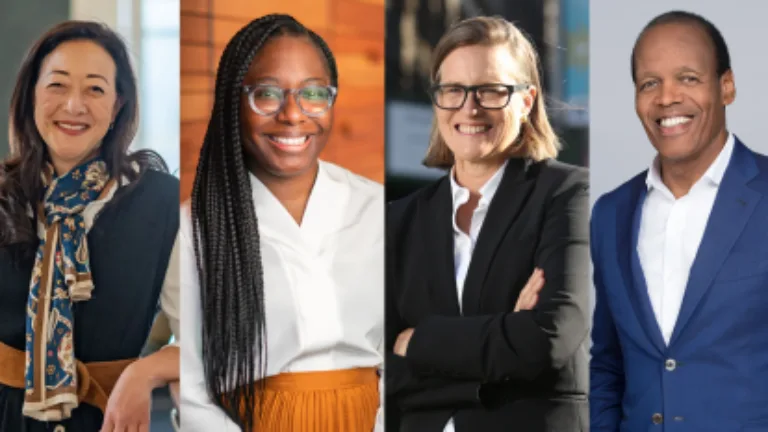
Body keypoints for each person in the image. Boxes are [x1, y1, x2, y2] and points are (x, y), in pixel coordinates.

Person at [179, 14, 384, 431]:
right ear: (233, 102)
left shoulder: (378, 208)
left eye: (313, 93)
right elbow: (190, 386)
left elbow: (407, 356)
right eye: (267, 94)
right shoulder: (198, 227)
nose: (293, 115)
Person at [386, 16, 590, 432]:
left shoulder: (569, 195)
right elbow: (378, 368)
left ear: (527, 101)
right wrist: (500, 337)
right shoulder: (398, 221)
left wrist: (418, 342)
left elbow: (546, 340)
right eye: (453, 90)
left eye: (491, 91)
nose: (469, 107)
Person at [590, 10, 768, 431]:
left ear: (727, 87)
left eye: (688, 78)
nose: (666, 97)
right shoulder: (611, 213)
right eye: (649, 83)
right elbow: (608, 365)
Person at [0, 21, 180, 432]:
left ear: (118, 106)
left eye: (95, 89)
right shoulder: (3, 194)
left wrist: (145, 372)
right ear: (31, 96)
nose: (74, 106)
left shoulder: (164, 203)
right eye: (57, 86)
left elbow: (207, 341)